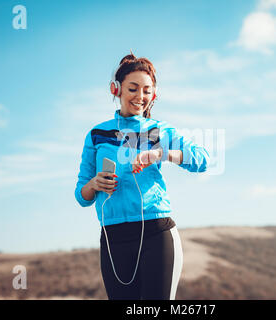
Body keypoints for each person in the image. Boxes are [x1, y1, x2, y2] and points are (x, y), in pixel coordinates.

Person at [74, 51, 210, 300]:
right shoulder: (96, 134)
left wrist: (161, 154)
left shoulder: (160, 131)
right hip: (113, 238)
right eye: (133, 88)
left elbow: (202, 160)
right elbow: (82, 196)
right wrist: (94, 184)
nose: (140, 97)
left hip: (156, 235)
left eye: (147, 90)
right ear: (117, 89)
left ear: (154, 95)